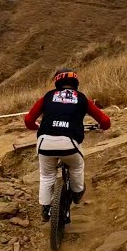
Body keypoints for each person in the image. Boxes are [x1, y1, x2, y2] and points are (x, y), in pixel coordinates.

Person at [23, 68, 112, 223]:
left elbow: (28, 120)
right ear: (75, 82)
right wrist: (102, 127)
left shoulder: (48, 96)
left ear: (57, 82)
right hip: (69, 143)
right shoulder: (82, 98)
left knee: (46, 175)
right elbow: (105, 121)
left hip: (45, 143)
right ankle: (77, 193)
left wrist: (37, 127)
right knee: (77, 166)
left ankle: (45, 208)